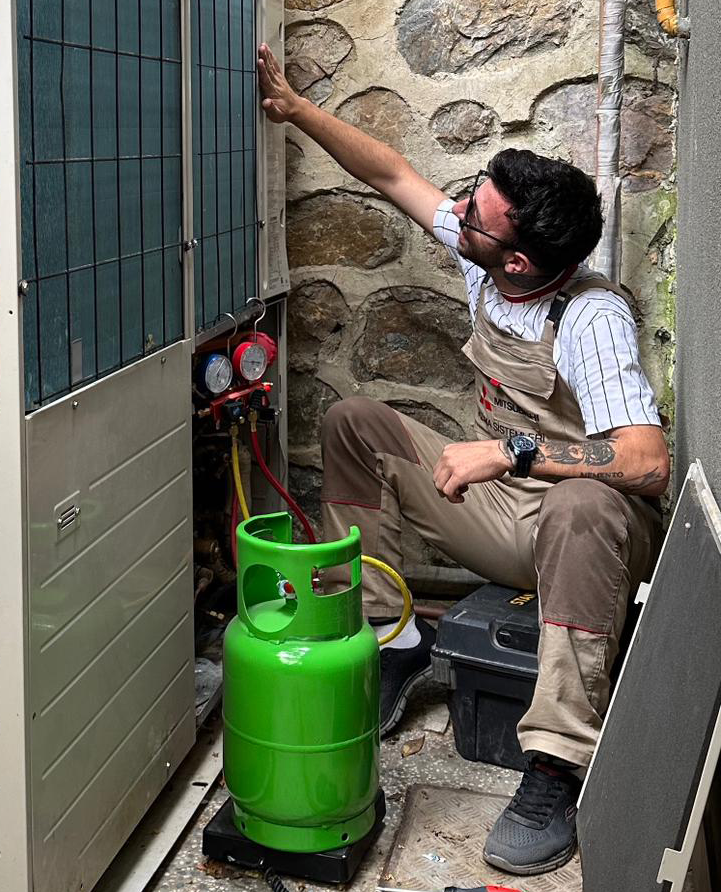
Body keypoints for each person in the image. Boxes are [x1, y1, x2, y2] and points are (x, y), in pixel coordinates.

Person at [256, 43, 670, 876]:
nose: (456, 212)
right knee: (355, 423)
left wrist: (514, 450)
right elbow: (392, 173)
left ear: (517, 259)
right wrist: (295, 109)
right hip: (503, 516)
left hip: (582, 532)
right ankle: (392, 637)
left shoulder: (591, 318)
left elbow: (647, 460)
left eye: (474, 212)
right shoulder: (491, 259)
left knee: (584, 505)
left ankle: (556, 764)